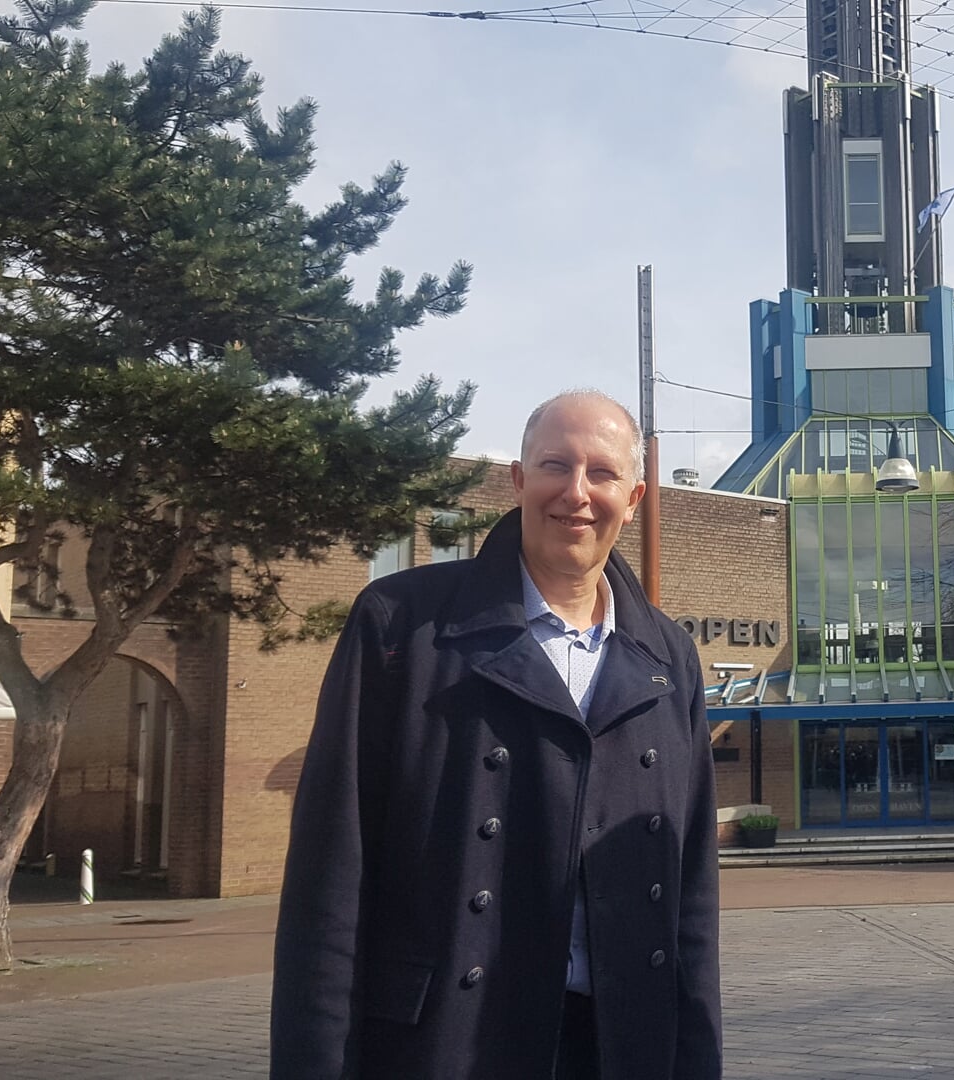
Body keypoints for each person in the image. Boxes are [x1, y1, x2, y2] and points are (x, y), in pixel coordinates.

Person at [271, 391, 721, 1079]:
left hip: (621, 1044)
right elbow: (331, 876)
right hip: (449, 1041)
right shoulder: (401, 627)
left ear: (632, 499)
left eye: (600, 473)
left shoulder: (668, 656)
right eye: (553, 465)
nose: (575, 492)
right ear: (516, 479)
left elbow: (691, 898)